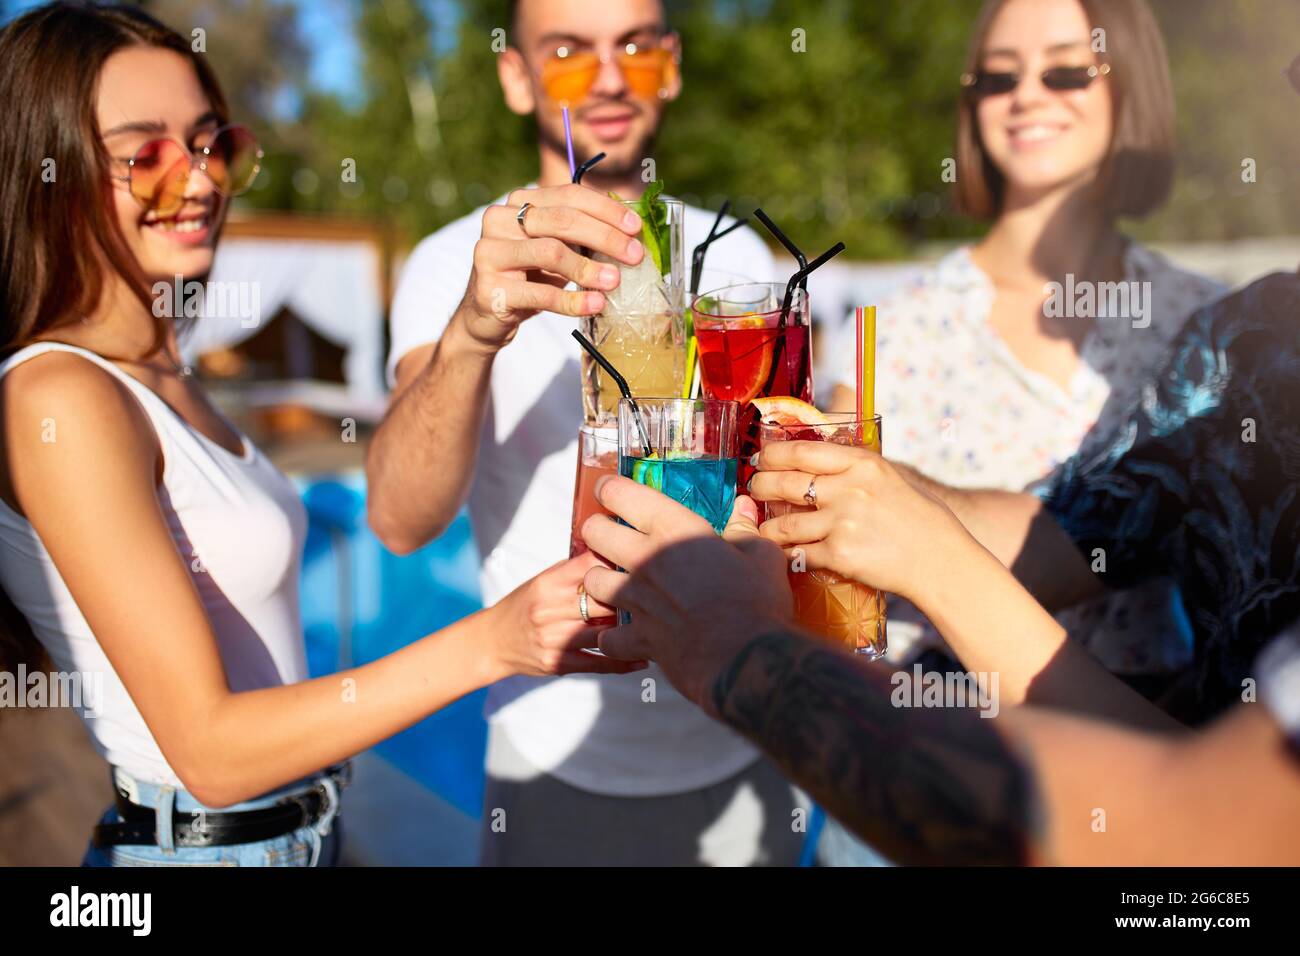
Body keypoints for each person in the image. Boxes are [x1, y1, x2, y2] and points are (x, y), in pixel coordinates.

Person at [0, 1, 638, 868]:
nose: (197, 182)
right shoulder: (60, 395)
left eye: (210, 142)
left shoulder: (159, 375)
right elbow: (213, 754)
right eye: (143, 156)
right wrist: (499, 637)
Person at [366, 0, 789, 866]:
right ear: (516, 77)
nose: (605, 77)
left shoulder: (737, 252)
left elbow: (771, 480)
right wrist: (474, 329)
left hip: (748, 742)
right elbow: (400, 520)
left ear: (668, 66)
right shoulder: (457, 262)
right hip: (553, 764)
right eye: (566, 52)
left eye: (633, 48)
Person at [575, 475, 1300, 865]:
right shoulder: (1247, 331)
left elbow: (1176, 852)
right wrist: (931, 552)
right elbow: (1182, 768)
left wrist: (734, 647)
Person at [829, 0, 1221, 681]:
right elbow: (833, 586)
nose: (1027, 97)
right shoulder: (886, 334)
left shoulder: (1210, 325)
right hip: (930, 751)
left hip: (1145, 761)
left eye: (1067, 71)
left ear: (1132, 85)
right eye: (999, 78)